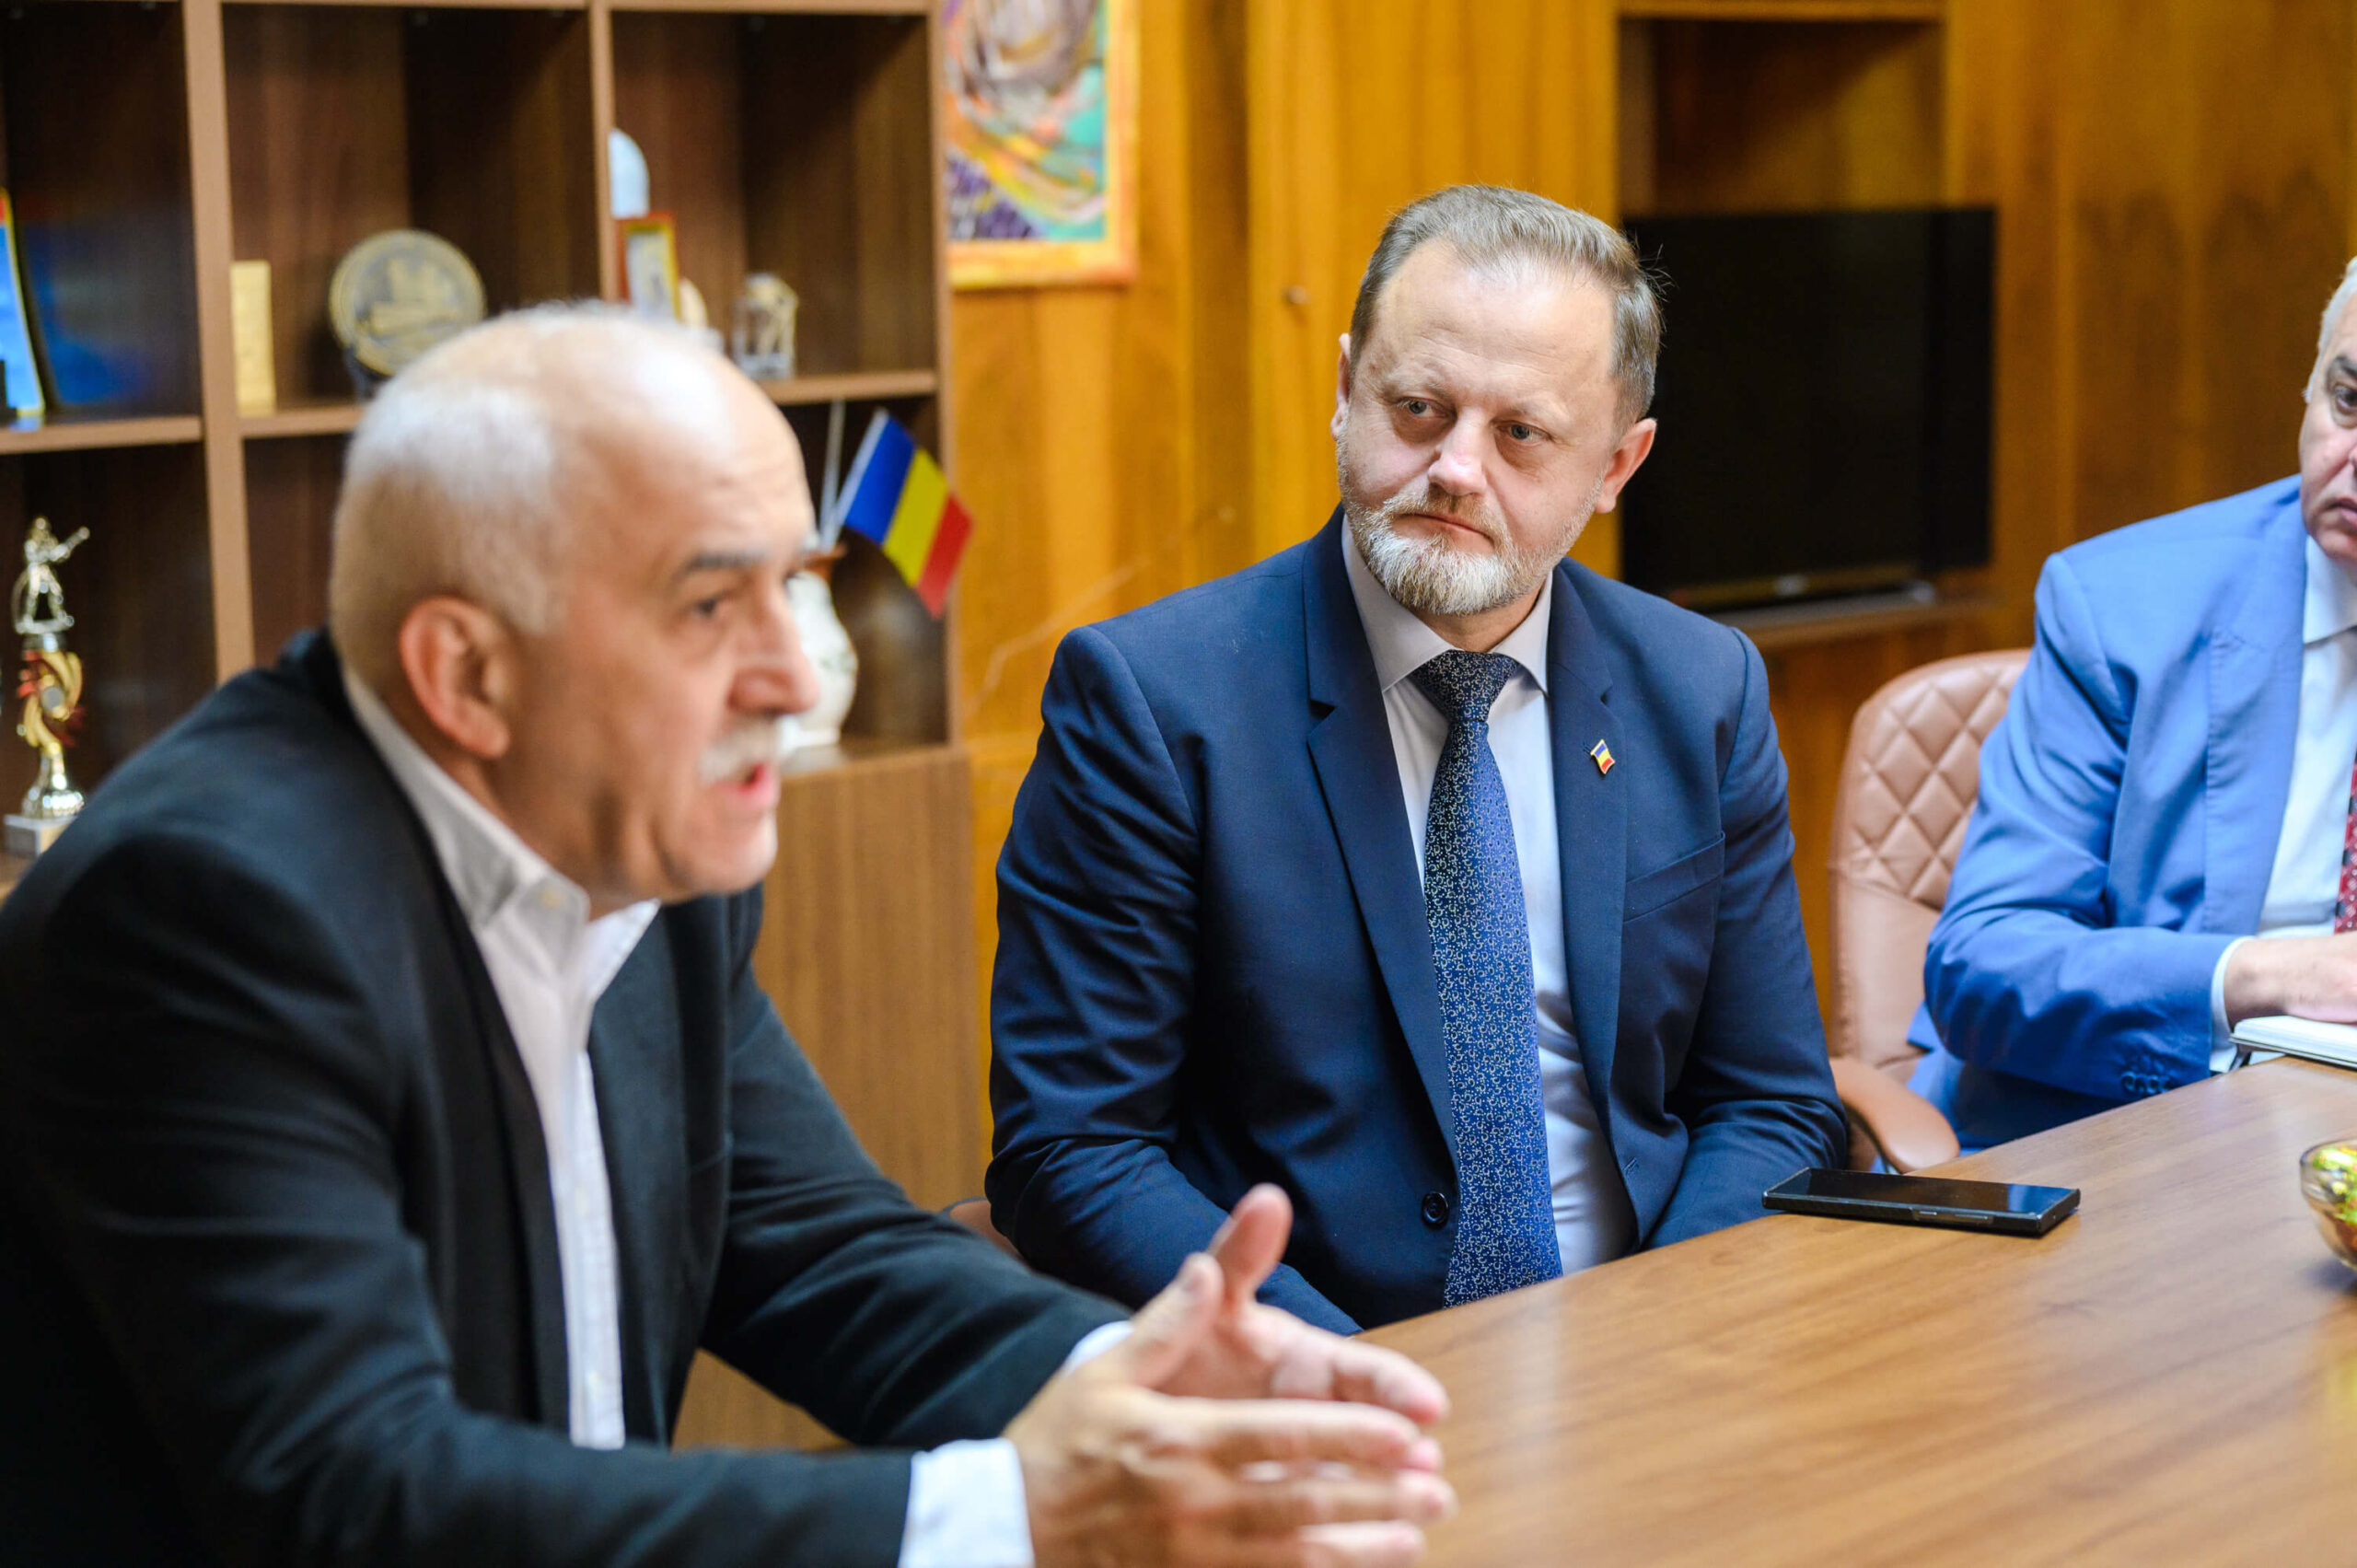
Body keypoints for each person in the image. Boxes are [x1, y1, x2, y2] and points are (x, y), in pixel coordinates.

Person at [0, 307, 1457, 1567]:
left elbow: (816, 1246)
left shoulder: (637, 833)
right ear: (466, 672)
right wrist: (1018, 1507)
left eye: (793, 582)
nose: (794, 678)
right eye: (710, 604)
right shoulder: (203, 913)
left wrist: (1136, 1377)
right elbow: (353, 1492)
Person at [988, 185, 1845, 1335]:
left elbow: (1770, 1101)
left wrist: (1656, 1338)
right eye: (1418, 408)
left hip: (1646, 1344)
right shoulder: (1154, 702)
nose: (1455, 469)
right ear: (1346, 390)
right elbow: (1072, 1150)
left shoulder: (1698, 689)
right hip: (1325, 1359)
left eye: (1520, 433)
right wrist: (1345, 1375)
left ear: (1616, 464)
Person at [1918, 257, 2357, 1149]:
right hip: (2137, 1140)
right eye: (2347, 400)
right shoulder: (2120, 609)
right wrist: (2278, 975)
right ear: (2310, 386)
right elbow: (1983, 963)